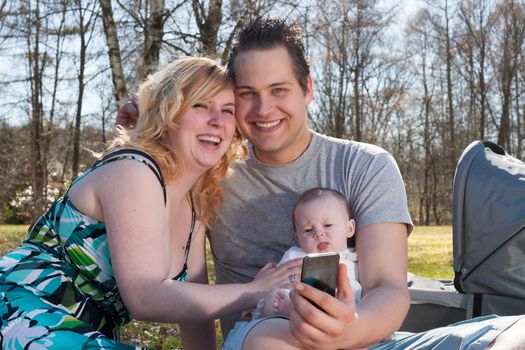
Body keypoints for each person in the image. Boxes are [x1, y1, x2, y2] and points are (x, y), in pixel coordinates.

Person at [118, 18, 525, 350]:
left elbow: (389, 288)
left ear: (308, 89)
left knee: (514, 337)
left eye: (279, 90)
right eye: (248, 94)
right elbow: (188, 278)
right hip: (268, 333)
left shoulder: (365, 165)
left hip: (365, 336)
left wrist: (351, 328)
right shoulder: (213, 175)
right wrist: (154, 118)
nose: (264, 109)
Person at [0, 57, 300, 350]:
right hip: (19, 309)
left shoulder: (196, 205)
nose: (217, 120)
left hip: (74, 329)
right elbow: (145, 297)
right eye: (200, 105)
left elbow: (194, 310)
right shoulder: (134, 169)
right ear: (168, 115)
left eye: (227, 110)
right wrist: (253, 291)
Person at [254, 187, 362, 320]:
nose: (318, 233)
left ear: (349, 229)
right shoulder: (296, 256)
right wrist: (293, 282)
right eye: (308, 230)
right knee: (273, 296)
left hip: (341, 308)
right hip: (298, 300)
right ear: (298, 238)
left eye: (328, 225)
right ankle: (287, 309)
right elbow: (283, 277)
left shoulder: (355, 258)